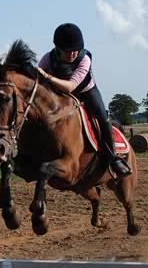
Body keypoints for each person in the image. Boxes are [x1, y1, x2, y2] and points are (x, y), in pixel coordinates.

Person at [35, 23, 131, 179]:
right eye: (67, 51)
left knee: (103, 118)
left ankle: (112, 158)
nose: (72, 54)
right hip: (59, 96)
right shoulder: (47, 58)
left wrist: (46, 76)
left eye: (75, 50)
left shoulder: (84, 58)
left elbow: (70, 86)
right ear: (57, 48)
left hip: (86, 92)